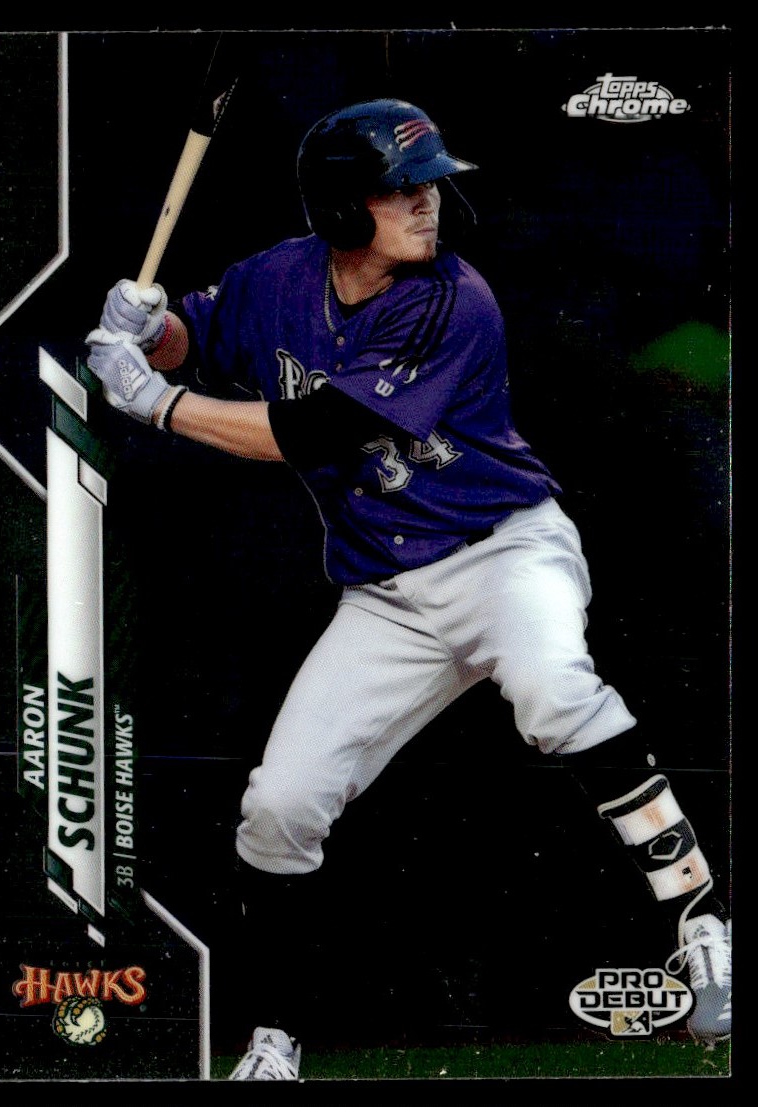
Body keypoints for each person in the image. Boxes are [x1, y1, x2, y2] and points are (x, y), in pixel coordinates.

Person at [85, 98, 731, 1080]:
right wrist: (151, 329)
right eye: (401, 188)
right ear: (343, 207)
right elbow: (200, 339)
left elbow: (312, 433)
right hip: (386, 594)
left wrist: (158, 404)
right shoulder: (274, 280)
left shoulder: (452, 300)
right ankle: (273, 1039)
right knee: (280, 806)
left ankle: (703, 923)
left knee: (553, 688)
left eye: (430, 183)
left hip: (503, 552)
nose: (428, 201)